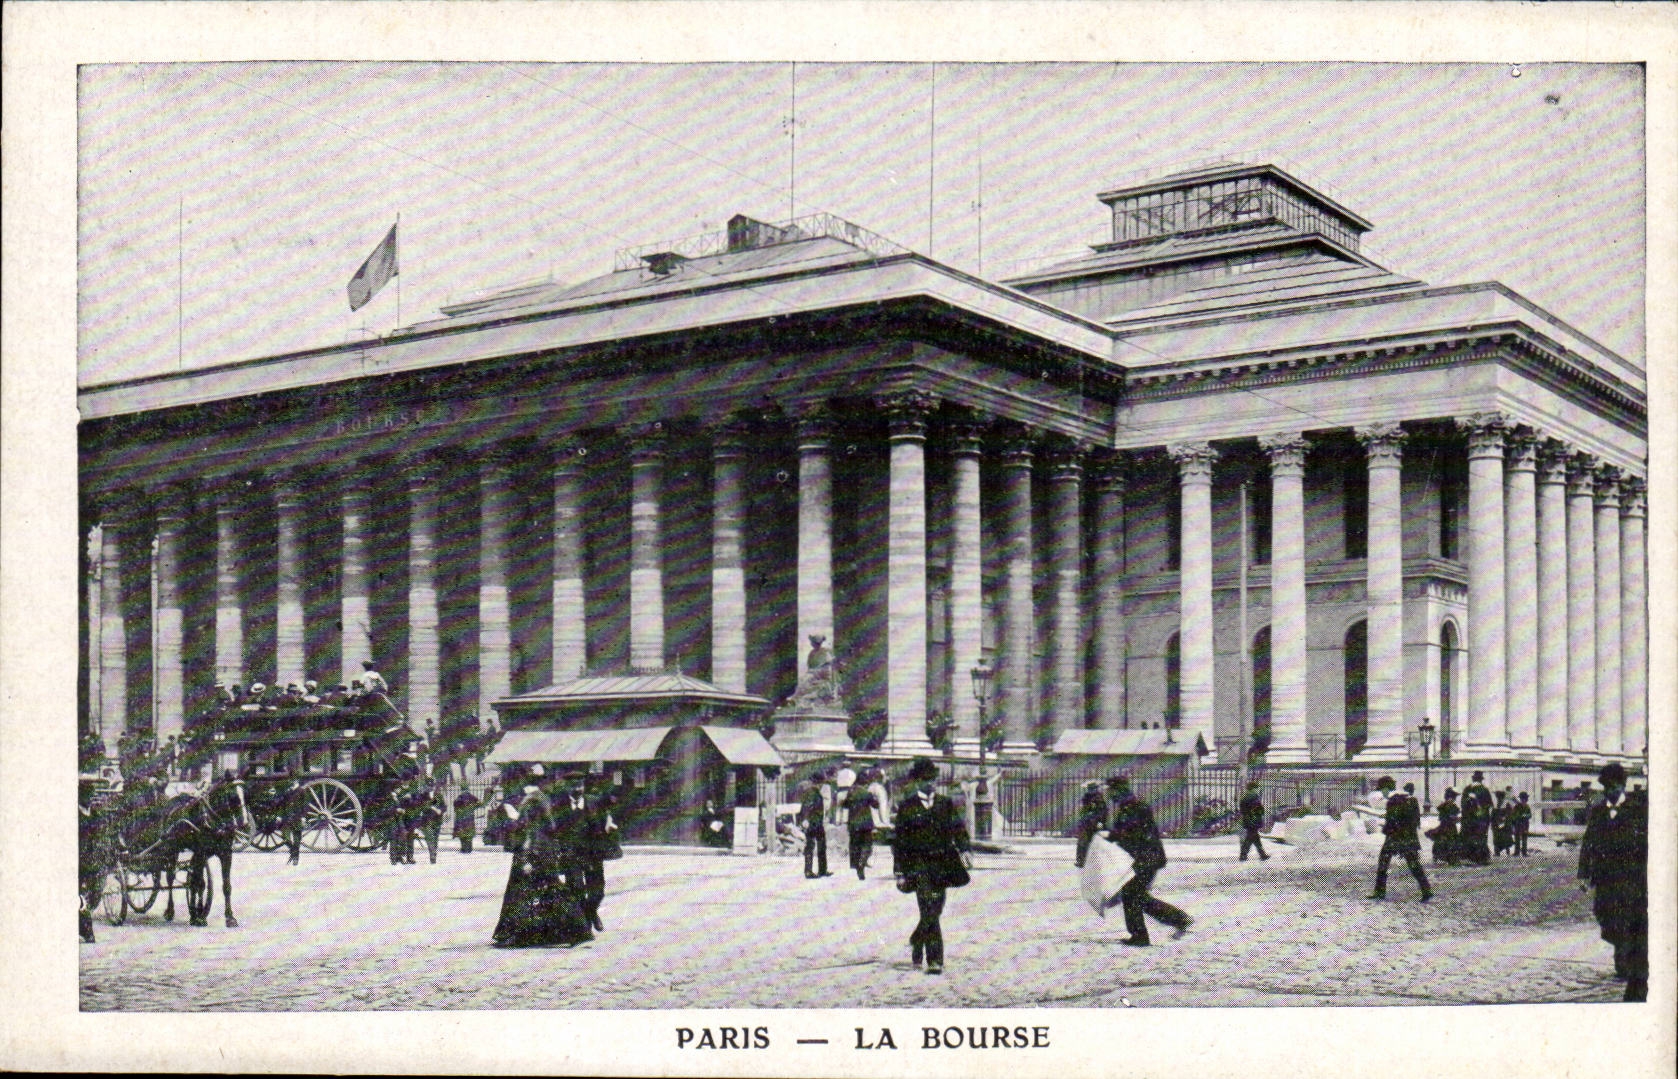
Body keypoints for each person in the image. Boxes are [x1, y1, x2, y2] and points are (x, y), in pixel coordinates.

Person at [492, 765, 592, 948]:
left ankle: (518, 934)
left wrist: (528, 857)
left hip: (534, 852)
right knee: (550, 889)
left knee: (527, 892)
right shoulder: (543, 798)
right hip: (545, 851)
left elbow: (531, 831)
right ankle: (575, 930)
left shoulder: (531, 800)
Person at [891, 758, 970, 974]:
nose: (930, 783)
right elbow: (899, 842)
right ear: (917, 781)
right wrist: (899, 871)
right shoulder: (907, 807)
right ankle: (935, 960)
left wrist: (965, 849)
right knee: (928, 907)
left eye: (933, 779)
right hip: (918, 865)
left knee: (937, 907)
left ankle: (918, 938)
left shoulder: (945, 804)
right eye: (925, 779)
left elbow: (958, 829)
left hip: (942, 864)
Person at [1577, 763, 1647, 1001]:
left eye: (1614, 787)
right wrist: (1584, 874)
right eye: (1606, 788)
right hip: (1605, 877)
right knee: (1604, 914)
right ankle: (1621, 950)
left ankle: (1625, 960)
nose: (1610, 791)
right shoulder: (1598, 812)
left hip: (1630, 877)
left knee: (1626, 917)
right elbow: (1588, 843)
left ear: (1623, 786)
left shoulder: (1637, 810)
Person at [1104, 775, 1192, 946]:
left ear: (1117, 790)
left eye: (1110, 791)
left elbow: (1133, 834)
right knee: (1134, 895)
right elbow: (1129, 832)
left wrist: (1114, 836)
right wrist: (1113, 836)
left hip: (1146, 858)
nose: (1109, 795)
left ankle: (1169, 923)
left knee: (1132, 895)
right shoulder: (1131, 806)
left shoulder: (1132, 808)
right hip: (1146, 857)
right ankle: (1168, 923)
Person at [550, 770, 616, 933]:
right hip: (571, 854)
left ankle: (591, 912)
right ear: (566, 787)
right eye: (573, 786)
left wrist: (609, 824)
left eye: (580, 785)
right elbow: (553, 829)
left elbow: (608, 814)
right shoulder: (558, 805)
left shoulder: (594, 801)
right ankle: (584, 927)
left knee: (597, 891)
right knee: (576, 889)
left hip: (592, 853)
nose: (577, 789)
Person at [1369, 780, 1433, 902]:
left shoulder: (1393, 801)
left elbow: (1392, 821)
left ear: (1387, 789)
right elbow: (1414, 819)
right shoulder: (1410, 799)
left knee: (1383, 862)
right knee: (1414, 864)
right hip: (1408, 837)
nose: (1382, 793)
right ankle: (1426, 890)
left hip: (1395, 838)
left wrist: (1387, 829)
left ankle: (1379, 891)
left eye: (1382, 790)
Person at [844, 778, 879, 879]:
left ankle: (856, 864)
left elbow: (845, 805)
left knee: (855, 845)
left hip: (854, 824)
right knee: (867, 844)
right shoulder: (867, 793)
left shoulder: (850, 793)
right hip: (865, 825)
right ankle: (862, 863)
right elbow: (876, 805)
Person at [798, 774, 831, 879]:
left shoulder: (813, 792)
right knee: (813, 846)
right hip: (813, 823)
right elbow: (807, 806)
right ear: (818, 783)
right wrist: (805, 820)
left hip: (816, 822)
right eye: (821, 783)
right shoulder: (812, 792)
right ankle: (812, 871)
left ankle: (820, 870)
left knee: (817, 845)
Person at [1460, 770, 1493, 866]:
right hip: (1481, 819)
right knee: (1481, 837)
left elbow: (1463, 805)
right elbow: (1489, 804)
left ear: (1473, 779)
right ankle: (1481, 857)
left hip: (1469, 819)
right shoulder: (1484, 790)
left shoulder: (1467, 789)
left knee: (1469, 837)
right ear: (1481, 780)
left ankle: (1469, 856)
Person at [1074, 781, 1107, 868]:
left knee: (1087, 842)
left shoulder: (1097, 798)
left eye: (1091, 789)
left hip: (1092, 824)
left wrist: (1100, 822)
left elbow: (1102, 811)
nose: (1090, 790)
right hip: (1087, 824)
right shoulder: (1087, 798)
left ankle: (1083, 860)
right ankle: (1081, 860)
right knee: (1084, 842)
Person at [1238, 781, 1270, 862]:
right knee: (1250, 838)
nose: (1257, 789)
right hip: (1253, 820)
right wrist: (1261, 811)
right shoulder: (1252, 797)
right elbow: (1257, 809)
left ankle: (1262, 854)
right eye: (1256, 788)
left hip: (1249, 820)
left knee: (1255, 838)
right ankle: (1243, 855)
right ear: (1253, 788)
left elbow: (1244, 810)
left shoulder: (1246, 796)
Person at [278, 773, 306, 866]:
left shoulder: (302, 791)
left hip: (298, 818)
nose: (291, 782)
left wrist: (303, 817)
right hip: (287, 818)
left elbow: (304, 806)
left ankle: (295, 858)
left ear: (297, 781)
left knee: (297, 840)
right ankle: (293, 851)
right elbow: (282, 805)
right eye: (291, 780)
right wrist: (280, 816)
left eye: (293, 780)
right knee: (285, 837)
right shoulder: (288, 791)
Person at [416, 779, 447, 864]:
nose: (430, 787)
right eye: (428, 785)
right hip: (427, 821)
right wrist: (430, 807)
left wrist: (440, 810)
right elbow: (419, 807)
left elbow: (444, 806)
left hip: (437, 820)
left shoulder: (438, 795)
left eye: (431, 785)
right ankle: (432, 855)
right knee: (430, 837)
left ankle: (433, 853)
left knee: (435, 838)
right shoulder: (422, 796)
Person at [1430, 788, 1462, 866]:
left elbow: (1443, 816)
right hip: (1450, 827)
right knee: (1450, 842)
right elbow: (1451, 817)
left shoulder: (1444, 805)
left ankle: (1438, 856)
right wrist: (1459, 819)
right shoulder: (1450, 805)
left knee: (1441, 841)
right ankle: (1450, 858)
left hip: (1443, 826)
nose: (1455, 798)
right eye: (1454, 796)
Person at [453, 785, 482, 853]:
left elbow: (455, 806)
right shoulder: (471, 797)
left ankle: (464, 848)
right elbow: (479, 804)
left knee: (462, 834)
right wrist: (472, 807)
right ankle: (469, 848)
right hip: (469, 818)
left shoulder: (459, 797)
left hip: (461, 819)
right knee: (469, 834)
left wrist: (460, 810)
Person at [1491, 789, 1514, 857]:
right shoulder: (1495, 805)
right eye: (1498, 797)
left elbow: (1509, 814)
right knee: (1496, 838)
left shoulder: (1506, 805)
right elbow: (1492, 815)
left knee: (1505, 838)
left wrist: (1504, 818)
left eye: (1500, 797)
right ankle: (1497, 852)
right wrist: (1494, 822)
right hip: (1496, 824)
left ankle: (1507, 851)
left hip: (1504, 825)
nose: (1499, 799)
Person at [1511, 791, 1532, 857]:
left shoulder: (1527, 807)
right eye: (1523, 798)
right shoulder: (1517, 807)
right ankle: (1516, 852)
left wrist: (1525, 815)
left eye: (1525, 798)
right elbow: (1513, 815)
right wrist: (1519, 817)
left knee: (1524, 838)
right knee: (1517, 838)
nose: (1524, 800)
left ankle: (1524, 852)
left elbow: (1530, 815)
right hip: (1518, 824)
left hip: (1525, 824)